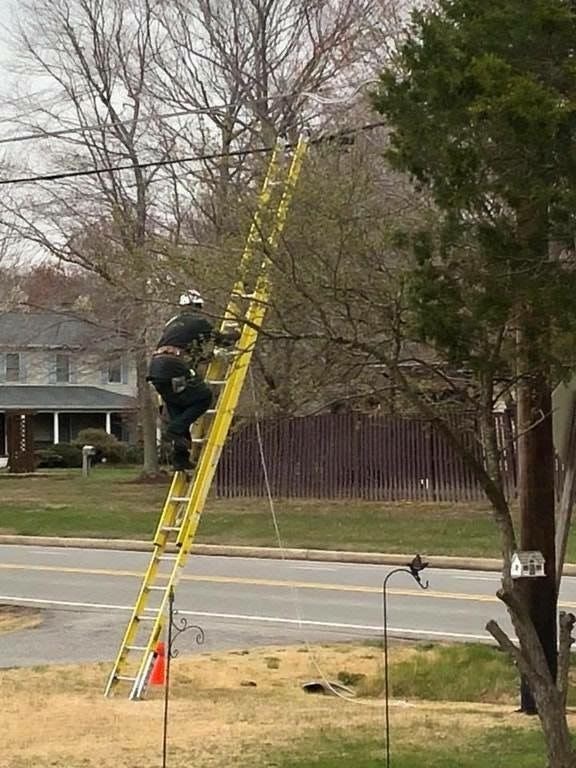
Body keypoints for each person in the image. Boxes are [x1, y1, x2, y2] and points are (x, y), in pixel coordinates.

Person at [147, 289, 239, 471]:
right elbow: (221, 340)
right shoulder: (198, 321)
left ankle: (180, 458)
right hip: (173, 366)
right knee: (204, 397)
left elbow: (188, 351)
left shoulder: (172, 323)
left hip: (157, 368)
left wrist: (207, 357)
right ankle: (173, 431)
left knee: (179, 410)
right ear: (198, 306)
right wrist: (237, 336)